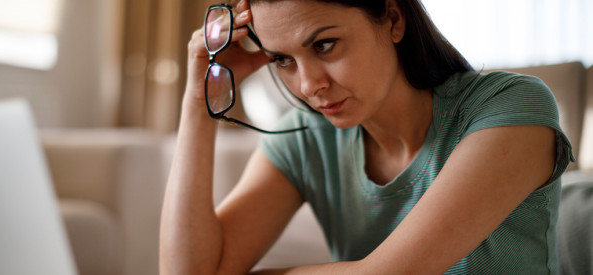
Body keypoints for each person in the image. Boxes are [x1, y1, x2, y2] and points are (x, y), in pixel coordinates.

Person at [160, 0, 574, 274]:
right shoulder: (305, 139)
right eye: (282, 59)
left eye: (325, 45)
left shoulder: (510, 108)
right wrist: (199, 102)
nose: (307, 85)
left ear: (393, 19)